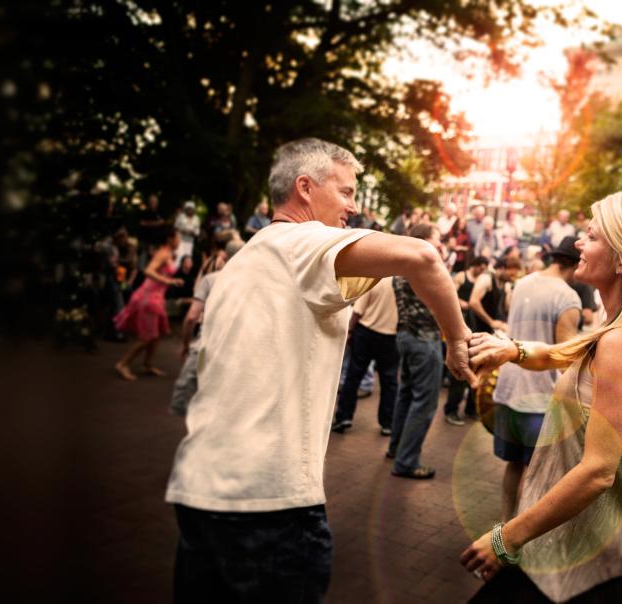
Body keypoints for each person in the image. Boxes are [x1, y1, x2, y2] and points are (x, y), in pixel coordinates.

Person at [165, 138, 474, 602]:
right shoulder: (304, 242)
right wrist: (458, 341)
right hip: (267, 502)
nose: (353, 207)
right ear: (305, 188)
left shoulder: (243, 260)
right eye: (347, 192)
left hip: (200, 488)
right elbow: (424, 257)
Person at [462, 192, 622, 602]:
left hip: (616, 552)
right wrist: (511, 350)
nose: (578, 244)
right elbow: (573, 351)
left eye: (591, 236)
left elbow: (599, 471)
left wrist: (505, 537)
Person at [490, 238, 582, 520]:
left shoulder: (524, 282)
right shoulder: (568, 297)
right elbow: (564, 355)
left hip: (508, 389)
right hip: (539, 398)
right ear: (576, 263)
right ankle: (518, 541)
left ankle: (504, 525)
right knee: (537, 475)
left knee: (514, 465)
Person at [386, 223, 455, 479]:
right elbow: (444, 300)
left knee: (406, 395)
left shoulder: (401, 265)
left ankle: (396, 448)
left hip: (405, 335)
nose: (441, 245)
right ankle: (406, 461)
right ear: (425, 240)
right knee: (425, 401)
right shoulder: (423, 265)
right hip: (424, 338)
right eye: (438, 241)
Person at [170, 239, 244, 418]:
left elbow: (191, 317)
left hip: (207, 342)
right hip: (237, 346)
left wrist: (186, 345)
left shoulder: (210, 280)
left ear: (224, 256)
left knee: (184, 396)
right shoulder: (251, 282)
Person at [331, 274, 399, 435]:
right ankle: (387, 423)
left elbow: (358, 311)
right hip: (391, 337)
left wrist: (350, 331)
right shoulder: (404, 283)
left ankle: (343, 418)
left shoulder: (376, 279)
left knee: (353, 377)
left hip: (366, 333)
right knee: (389, 382)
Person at [113, 229, 185, 380]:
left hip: (156, 297)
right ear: (170, 239)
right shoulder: (163, 253)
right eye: (178, 238)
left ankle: (147, 364)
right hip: (149, 297)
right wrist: (169, 281)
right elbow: (148, 271)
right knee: (147, 336)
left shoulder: (168, 253)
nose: (179, 241)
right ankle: (122, 364)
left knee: (155, 335)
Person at [444, 256, 490, 425]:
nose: (482, 270)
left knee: (476, 369)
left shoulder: (483, 280)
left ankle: (471, 408)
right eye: (481, 267)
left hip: (475, 327)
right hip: (461, 323)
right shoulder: (462, 276)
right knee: (460, 369)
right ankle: (451, 410)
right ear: (475, 265)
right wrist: (461, 302)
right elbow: (449, 293)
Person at [469, 257, 519, 334]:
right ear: (502, 269)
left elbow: (507, 308)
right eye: (511, 275)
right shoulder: (486, 278)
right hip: (476, 328)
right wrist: (491, 322)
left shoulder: (504, 284)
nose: (512, 278)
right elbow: (473, 302)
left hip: (488, 330)